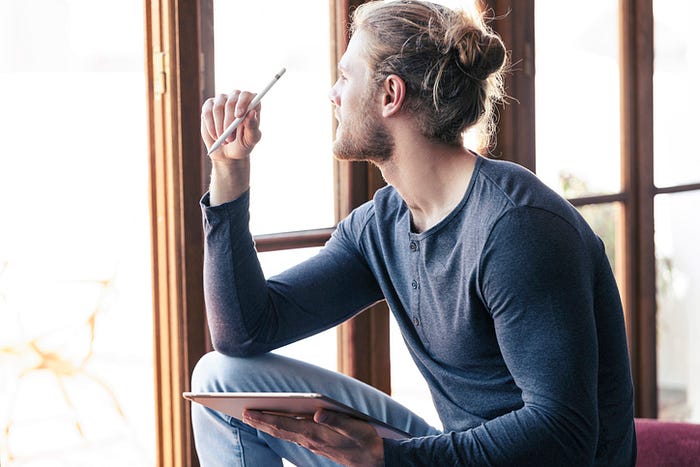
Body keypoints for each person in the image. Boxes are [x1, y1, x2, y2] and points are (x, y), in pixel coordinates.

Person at [191, 0, 637, 465]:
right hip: (451, 455)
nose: (332, 94)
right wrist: (229, 172)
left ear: (390, 94)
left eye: (346, 77)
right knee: (220, 376)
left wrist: (390, 459)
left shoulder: (517, 227)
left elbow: (563, 434)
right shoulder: (383, 225)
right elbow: (242, 332)